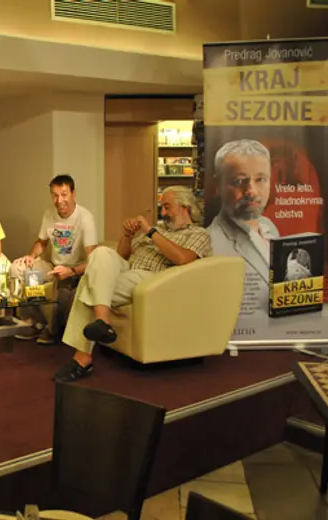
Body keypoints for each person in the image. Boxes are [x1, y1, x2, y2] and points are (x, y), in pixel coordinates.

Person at [54, 186, 211, 382]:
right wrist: (127, 235)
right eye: (162, 208)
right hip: (128, 270)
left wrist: (150, 231)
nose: (163, 213)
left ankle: (82, 358)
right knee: (100, 254)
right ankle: (103, 322)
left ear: (185, 207)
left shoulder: (198, 233)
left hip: (153, 280)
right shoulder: (159, 230)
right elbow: (122, 255)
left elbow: (182, 258)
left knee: (90, 283)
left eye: (167, 207)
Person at [12, 174, 98, 344]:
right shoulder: (49, 214)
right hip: (53, 267)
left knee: (63, 291)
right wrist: (31, 256)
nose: (59, 201)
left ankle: (52, 330)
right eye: (55, 195)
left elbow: (93, 260)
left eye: (64, 195)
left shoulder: (85, 218)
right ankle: (34, 323)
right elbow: (41, 242)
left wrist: (71, 271)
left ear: (73, 194)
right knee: (18, 268)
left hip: (75, 270)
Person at [207, 139, 279, 314]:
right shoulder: (210, 244)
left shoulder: (268, 227)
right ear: (217, 185)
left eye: (261, 179)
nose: (251, 191)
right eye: (239, 181)